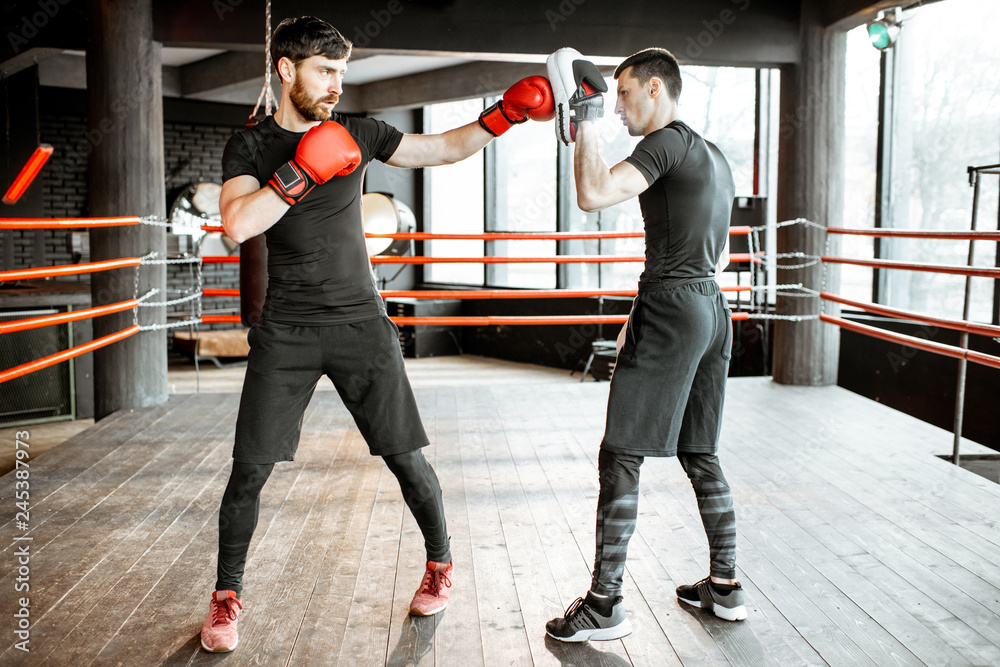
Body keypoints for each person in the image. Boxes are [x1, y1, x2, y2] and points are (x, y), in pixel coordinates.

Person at [200, 16, 554, 653]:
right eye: (325, 71)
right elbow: (237, 226)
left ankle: (441, 564)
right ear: (287, 69)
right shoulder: (249, 148)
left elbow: (440, 149)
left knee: (405, 457)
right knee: (248, 470)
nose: (337, 84)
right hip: (287, 330)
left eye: (343, 71)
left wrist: (504, 116)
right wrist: (302, 172)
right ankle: (226, 597)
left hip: (363, 323)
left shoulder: (358, 132)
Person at [545, 47, 745, 643]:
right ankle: (726, 586)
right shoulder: (716, 156)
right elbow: (712, 251)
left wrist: (583, 121)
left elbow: (593, 193)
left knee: (621, 454)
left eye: (624, 94)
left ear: (654, 88)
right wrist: (649, 308)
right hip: (710, 305)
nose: (618, 108)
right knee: (700, 451)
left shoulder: (664, 144)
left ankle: (605, 604)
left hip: (675, 303)